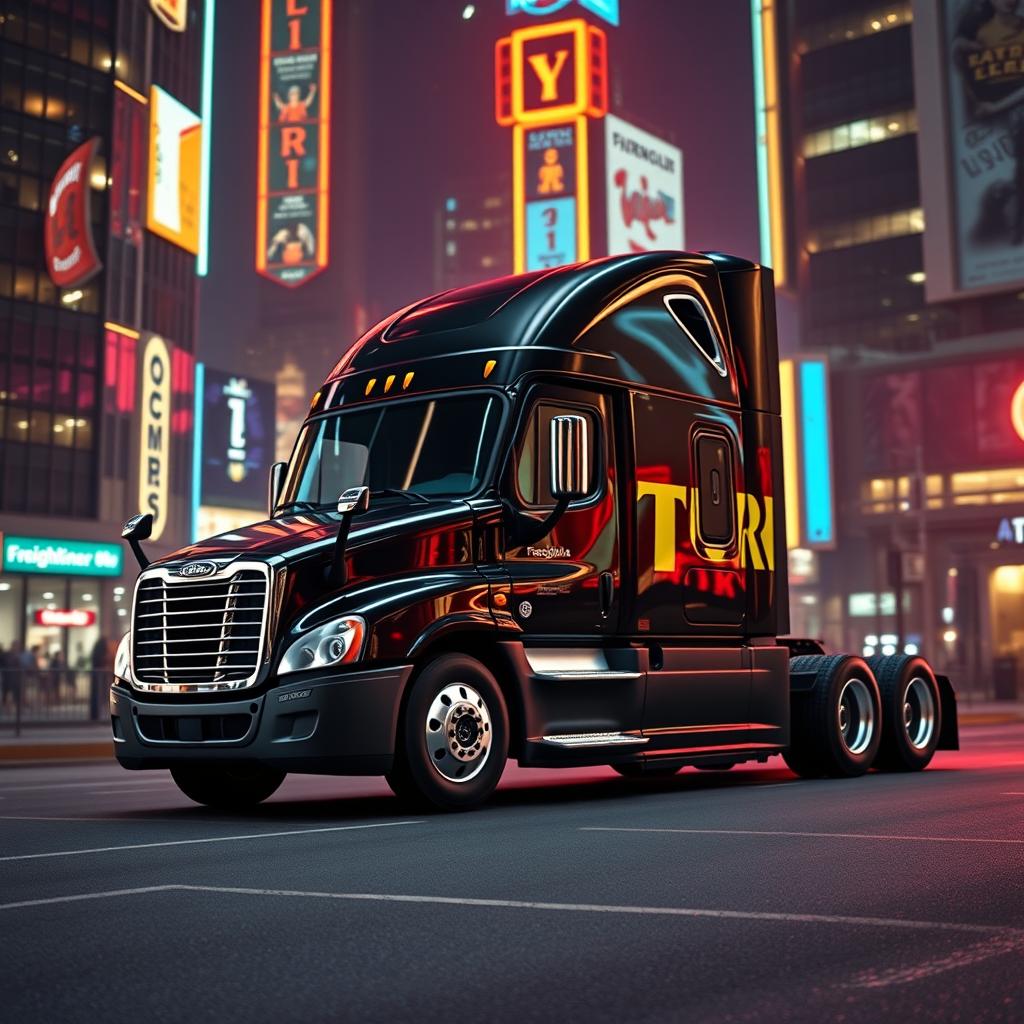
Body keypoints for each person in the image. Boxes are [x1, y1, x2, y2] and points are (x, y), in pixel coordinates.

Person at [89, 636, 113, 722]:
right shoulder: (101, 651)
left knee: (96, 695)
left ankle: (94, 715)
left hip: (95, 675)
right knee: (97, 695)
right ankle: (96, 716)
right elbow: (105, 659)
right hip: (98, 676)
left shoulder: (96, 650)